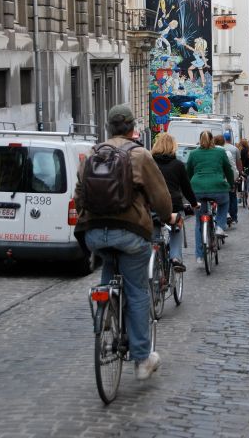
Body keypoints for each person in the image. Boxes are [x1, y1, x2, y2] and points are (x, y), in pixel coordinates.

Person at [74, 104, 172, 381]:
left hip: (95, 233)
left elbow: (79, 193)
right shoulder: (140, 154)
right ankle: (142, 358)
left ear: (108, 127)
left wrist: (87, 218)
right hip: (130, 233)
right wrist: (167, 216)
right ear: (132, 128)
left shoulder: (93, 153)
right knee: (138, 290)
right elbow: (161, 196)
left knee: (108, 258)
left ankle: (106, 307)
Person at [151, 133, 199, 272]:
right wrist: (194, 203)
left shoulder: (150, 163)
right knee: (176, 228)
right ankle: (175, 257)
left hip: (153, 204)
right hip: (172, 204)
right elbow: (186, 188)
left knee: (154, 232)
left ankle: (152, 259)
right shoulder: (178, 165)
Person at [186, 130, 233, 264]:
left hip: (197, 190)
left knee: (199, 222)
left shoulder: (194, 154)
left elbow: (188, 172)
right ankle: (219, 226)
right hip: (218, 187)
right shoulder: (219, 152)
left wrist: (190, 187)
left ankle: (200, 256)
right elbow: (228, 170)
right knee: (224, 203)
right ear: (212, 140)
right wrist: (230, 184)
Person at [223, 131, 243, 225]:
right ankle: (234, 217)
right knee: (232, 196)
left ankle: (225, 215)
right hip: (232, 175)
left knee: (224, 196)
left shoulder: (219, 148)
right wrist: (240, 174)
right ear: (230, 139)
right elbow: (238, 163)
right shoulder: (235, 149)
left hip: (222, 177)